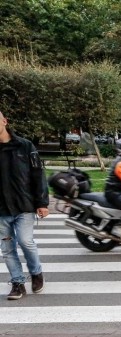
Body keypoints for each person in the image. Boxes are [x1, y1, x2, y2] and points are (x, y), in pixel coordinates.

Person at [0, 110, 49, 300]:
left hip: (24, 206)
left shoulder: (25, 146)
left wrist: (42, 202)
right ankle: (18, 283)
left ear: (5, 121)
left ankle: (36, 272)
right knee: (7, 249)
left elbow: (38, 175)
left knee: (25, 241)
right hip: (1, 210)